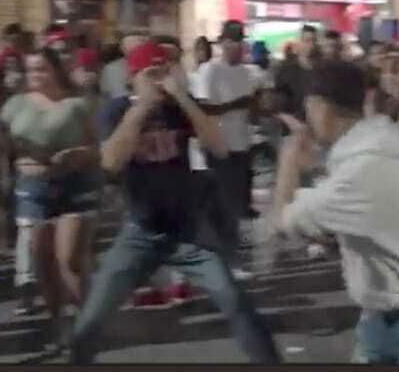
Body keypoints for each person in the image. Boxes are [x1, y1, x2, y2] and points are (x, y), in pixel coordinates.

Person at [68, 41, 281, 364]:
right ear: (133, 78)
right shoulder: (115, 110)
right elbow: (110, 162)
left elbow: (218, 147)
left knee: (234, 299)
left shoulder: (178, 106)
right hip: (141, 231)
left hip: (188, 232)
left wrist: (182, 97)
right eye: (151, 74)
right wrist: (141, 108)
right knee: (93, 316)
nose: (159, 81)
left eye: (163, 72)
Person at [270, 60, 399, 364]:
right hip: (386, 308)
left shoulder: (359, 170)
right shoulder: (379, 141)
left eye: (307, 109)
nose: (307, 120)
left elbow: (282, 221)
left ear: (320, 108)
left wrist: (289, 158)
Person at [0, 47, 102, 350]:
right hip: (33, 187)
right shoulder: (15, 105)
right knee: (42, 260)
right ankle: (59, 324)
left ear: (56, 69)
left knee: (69, 258)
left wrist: (77, 153)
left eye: (42, 68)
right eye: (31, 69)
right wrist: (6, 176)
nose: (36, 75)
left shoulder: (78, 103)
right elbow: (3, 149)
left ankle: (85, 321)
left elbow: (98, 147)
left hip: (75, 183)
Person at [192, 21, 262, 280]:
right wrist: (237, 103)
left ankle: (229, 262)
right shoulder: (209, 71)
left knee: (235, 206)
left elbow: (252, 111)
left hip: (241, 145)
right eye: (231, 41)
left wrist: (256, 106)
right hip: (217, 145)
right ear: (222, 43)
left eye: (240, 41)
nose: (236, 46)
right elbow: (203, 109)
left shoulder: (248, 73)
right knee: (220, 206)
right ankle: (219, 262)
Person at [101, 32, 146, 99]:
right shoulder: (110, 68)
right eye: (129, 45)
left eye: (136, 45)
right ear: (122, 48)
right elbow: (106, 93)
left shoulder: (151, 66)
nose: (132, 48)